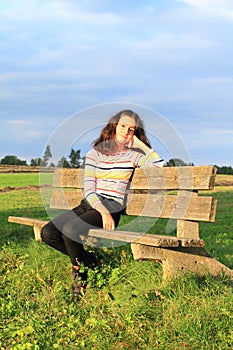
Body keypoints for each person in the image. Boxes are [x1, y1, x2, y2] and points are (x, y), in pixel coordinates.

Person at [41, 110, 164, 299]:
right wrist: (102, 212)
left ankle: (79, 276)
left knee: (70, 229)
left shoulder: (133, 156)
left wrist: (140, 144)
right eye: (123, 126)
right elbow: (89, 190)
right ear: (114, 125)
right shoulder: (95, 154)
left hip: (112, 206)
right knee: (48, 233)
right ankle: (91, 261)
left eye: (132, 130)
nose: (126, 132)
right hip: (91, 204)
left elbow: (158, 166)